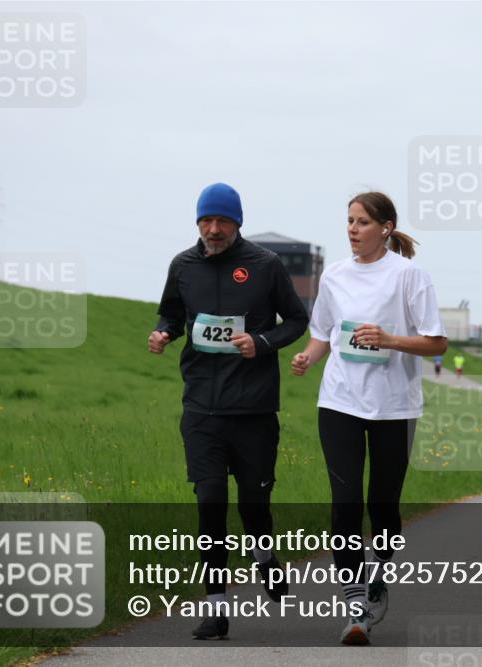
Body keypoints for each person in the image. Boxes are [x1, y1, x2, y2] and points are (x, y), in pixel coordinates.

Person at [149, 182, 309, 640]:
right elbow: (171, 315)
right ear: (197, 222)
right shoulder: (183, 265)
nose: (213, 230)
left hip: (254, 409)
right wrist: (163, 334)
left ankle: (265, 558)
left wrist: (260, 342)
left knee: (254, 506)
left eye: (222, 221)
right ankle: (216, 607)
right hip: (201, 406)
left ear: (238, 222)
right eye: (206, 221)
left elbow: (296, 321)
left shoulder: (265, 265)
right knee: (211, 500)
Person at [291, 192, 447, 645]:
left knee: (382, 504)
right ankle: (356, 603)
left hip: (394, 405)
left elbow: (436, 343)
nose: (352, 229)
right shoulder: (334, 276)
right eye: (349, 221)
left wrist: (390, 340)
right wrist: (308, 356)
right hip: (338, 401)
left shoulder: (409, 276)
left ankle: (378, 570)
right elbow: (323, 335)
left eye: (361, 222)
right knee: (345, 503)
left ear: (386, 226)